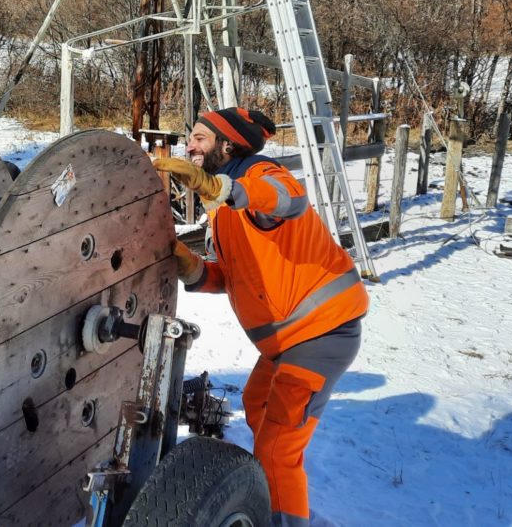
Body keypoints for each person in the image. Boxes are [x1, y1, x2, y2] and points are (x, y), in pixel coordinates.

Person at [154, 107, 368, 527]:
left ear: (227, 144)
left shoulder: (259, 176)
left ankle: (281, 515)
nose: (190, 146)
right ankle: (268, 493)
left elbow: (290, 200)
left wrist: (222, 187)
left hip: (320, 332)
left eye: (199, 137)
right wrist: (191, 267)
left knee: (277, 447)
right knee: (256, 403)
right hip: (287, 341)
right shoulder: (223, 205)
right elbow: (236, 278)